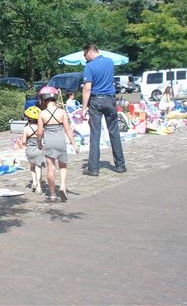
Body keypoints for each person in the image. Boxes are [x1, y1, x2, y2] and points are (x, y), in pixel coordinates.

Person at [81, 43, 127, 176]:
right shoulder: (110, 62)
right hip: (110, 99)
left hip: (96, 100)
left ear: (90, 52)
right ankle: (120, 165)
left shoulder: (89, 66)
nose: (85, 58)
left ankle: (93, 168)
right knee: (114, 132)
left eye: (85, 55)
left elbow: (87, 88)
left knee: (95, 134)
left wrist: (84, 108)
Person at [37, 87, 79, 202]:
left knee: (51, 169)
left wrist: (39, 143)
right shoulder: (62, 112)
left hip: (49, 142)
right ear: (55, 98)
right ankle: (62, 186)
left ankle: (52, 194)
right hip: (60, 141)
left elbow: (39, 132)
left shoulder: (42, 114)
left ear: (43, 99)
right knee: (63, 166)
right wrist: (74, 144)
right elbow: (68, 129)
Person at [21, 106, 44, 194]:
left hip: (29, 150)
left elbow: (23, 142)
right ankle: (39, 187)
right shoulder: (41, 128)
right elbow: (43, 139)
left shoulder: (26, 129)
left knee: (32, 167)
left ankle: (34, 182)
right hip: (39, 150)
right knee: (39, 168)